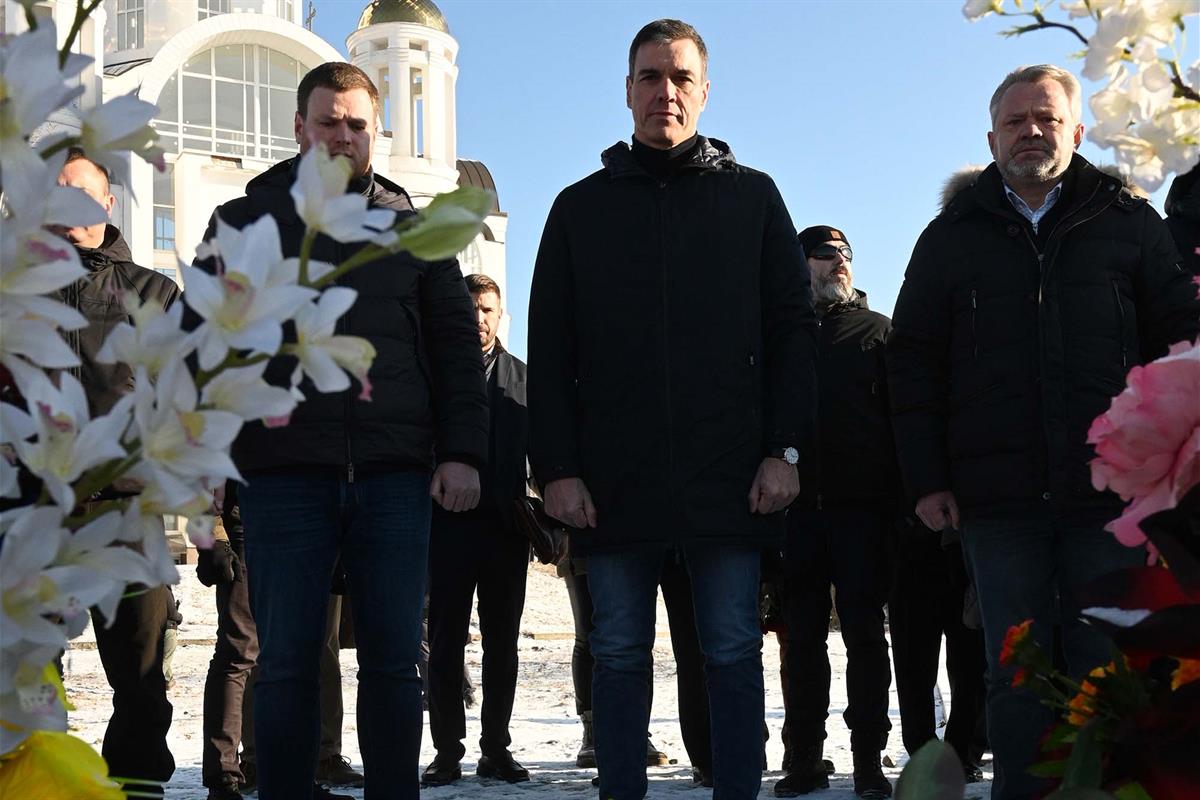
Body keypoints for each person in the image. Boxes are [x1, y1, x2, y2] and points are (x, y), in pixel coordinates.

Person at [887, 64, 1199, 800]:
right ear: (991, 137)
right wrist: (927, 478)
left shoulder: (1129, 222)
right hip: (996, 503)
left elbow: (1183, 345)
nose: (1031, 132)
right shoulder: (948, 238)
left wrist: (1174, 475)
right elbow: (911, 363)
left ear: (1078, 130)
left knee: (1108, 668)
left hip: (1111, 499)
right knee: (1014, 674)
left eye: (1047, 118)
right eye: (1016, 121)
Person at [528, 19, 817, 799]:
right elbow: (550, 354)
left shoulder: (752, 198)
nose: (666, 91)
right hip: (613, 485)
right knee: (618, 650)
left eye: (681, 77)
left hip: (731, 476)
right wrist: (556, 469)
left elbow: (793, 336)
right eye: (650, 76)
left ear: (705, 90)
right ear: (627, 90)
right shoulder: (578, 209)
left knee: (729, 649)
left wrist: (784, 452)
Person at [189, 61, 488, 800]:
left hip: (393, 474)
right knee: (285, 660)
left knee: (394, 661)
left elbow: (454, 349)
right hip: (283, 472)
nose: (344, 137)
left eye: (358, 125)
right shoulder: (242, 223)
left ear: (375, 132)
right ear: (298, 128)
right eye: (329, 122)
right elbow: (201, 347)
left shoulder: (412, 232)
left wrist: (461, 454)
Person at [52, 149, 180, 797]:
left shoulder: (153, 295)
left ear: (107, 205)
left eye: (82, 192)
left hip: (128, 510)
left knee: (140, 665)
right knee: (25, 667)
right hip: (34, 511)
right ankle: (33, 776)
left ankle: (137, 783)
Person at [774, 226, 896, 800]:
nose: (838, 264)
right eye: (825, 256)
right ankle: (803, 756)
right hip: (796, 515)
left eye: (845, 255)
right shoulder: (783, 334)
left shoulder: (879, 333)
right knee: (800, 641)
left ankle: (869, 758)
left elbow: (903, 426)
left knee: (866, 638)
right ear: (802, 266)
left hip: (863, 514)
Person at [422, 273, 531, 786]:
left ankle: (497, 748)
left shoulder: (524, 379)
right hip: (447, 528)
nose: (478, 319)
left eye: (487, 310)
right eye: (470, 309)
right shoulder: (433, 374)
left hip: (506, 531)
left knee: (501, 644)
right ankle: (447, 751)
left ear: (499, 314)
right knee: (444, 644)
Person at [198, 483, 363, 800]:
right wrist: (210, 535)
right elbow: (203, 460)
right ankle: (224, 777)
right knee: (239, 652)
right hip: (245, 527)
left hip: (305, 526)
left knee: (300, 652)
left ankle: (301, 770)